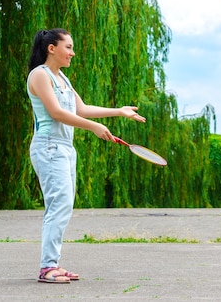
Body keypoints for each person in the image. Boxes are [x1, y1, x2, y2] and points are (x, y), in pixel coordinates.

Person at [27, 28, 146, 283]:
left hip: (65, 149)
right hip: (49, 147)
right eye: (68, 47)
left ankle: (52, 263)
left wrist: (119, 111)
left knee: (63, 205)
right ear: (52, 48)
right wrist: (93, 128)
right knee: (59, 205)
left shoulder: (63, 79)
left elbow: (81, 109)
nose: (72, 52)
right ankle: (48, 267)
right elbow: (57, 113)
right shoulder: (40, 75)